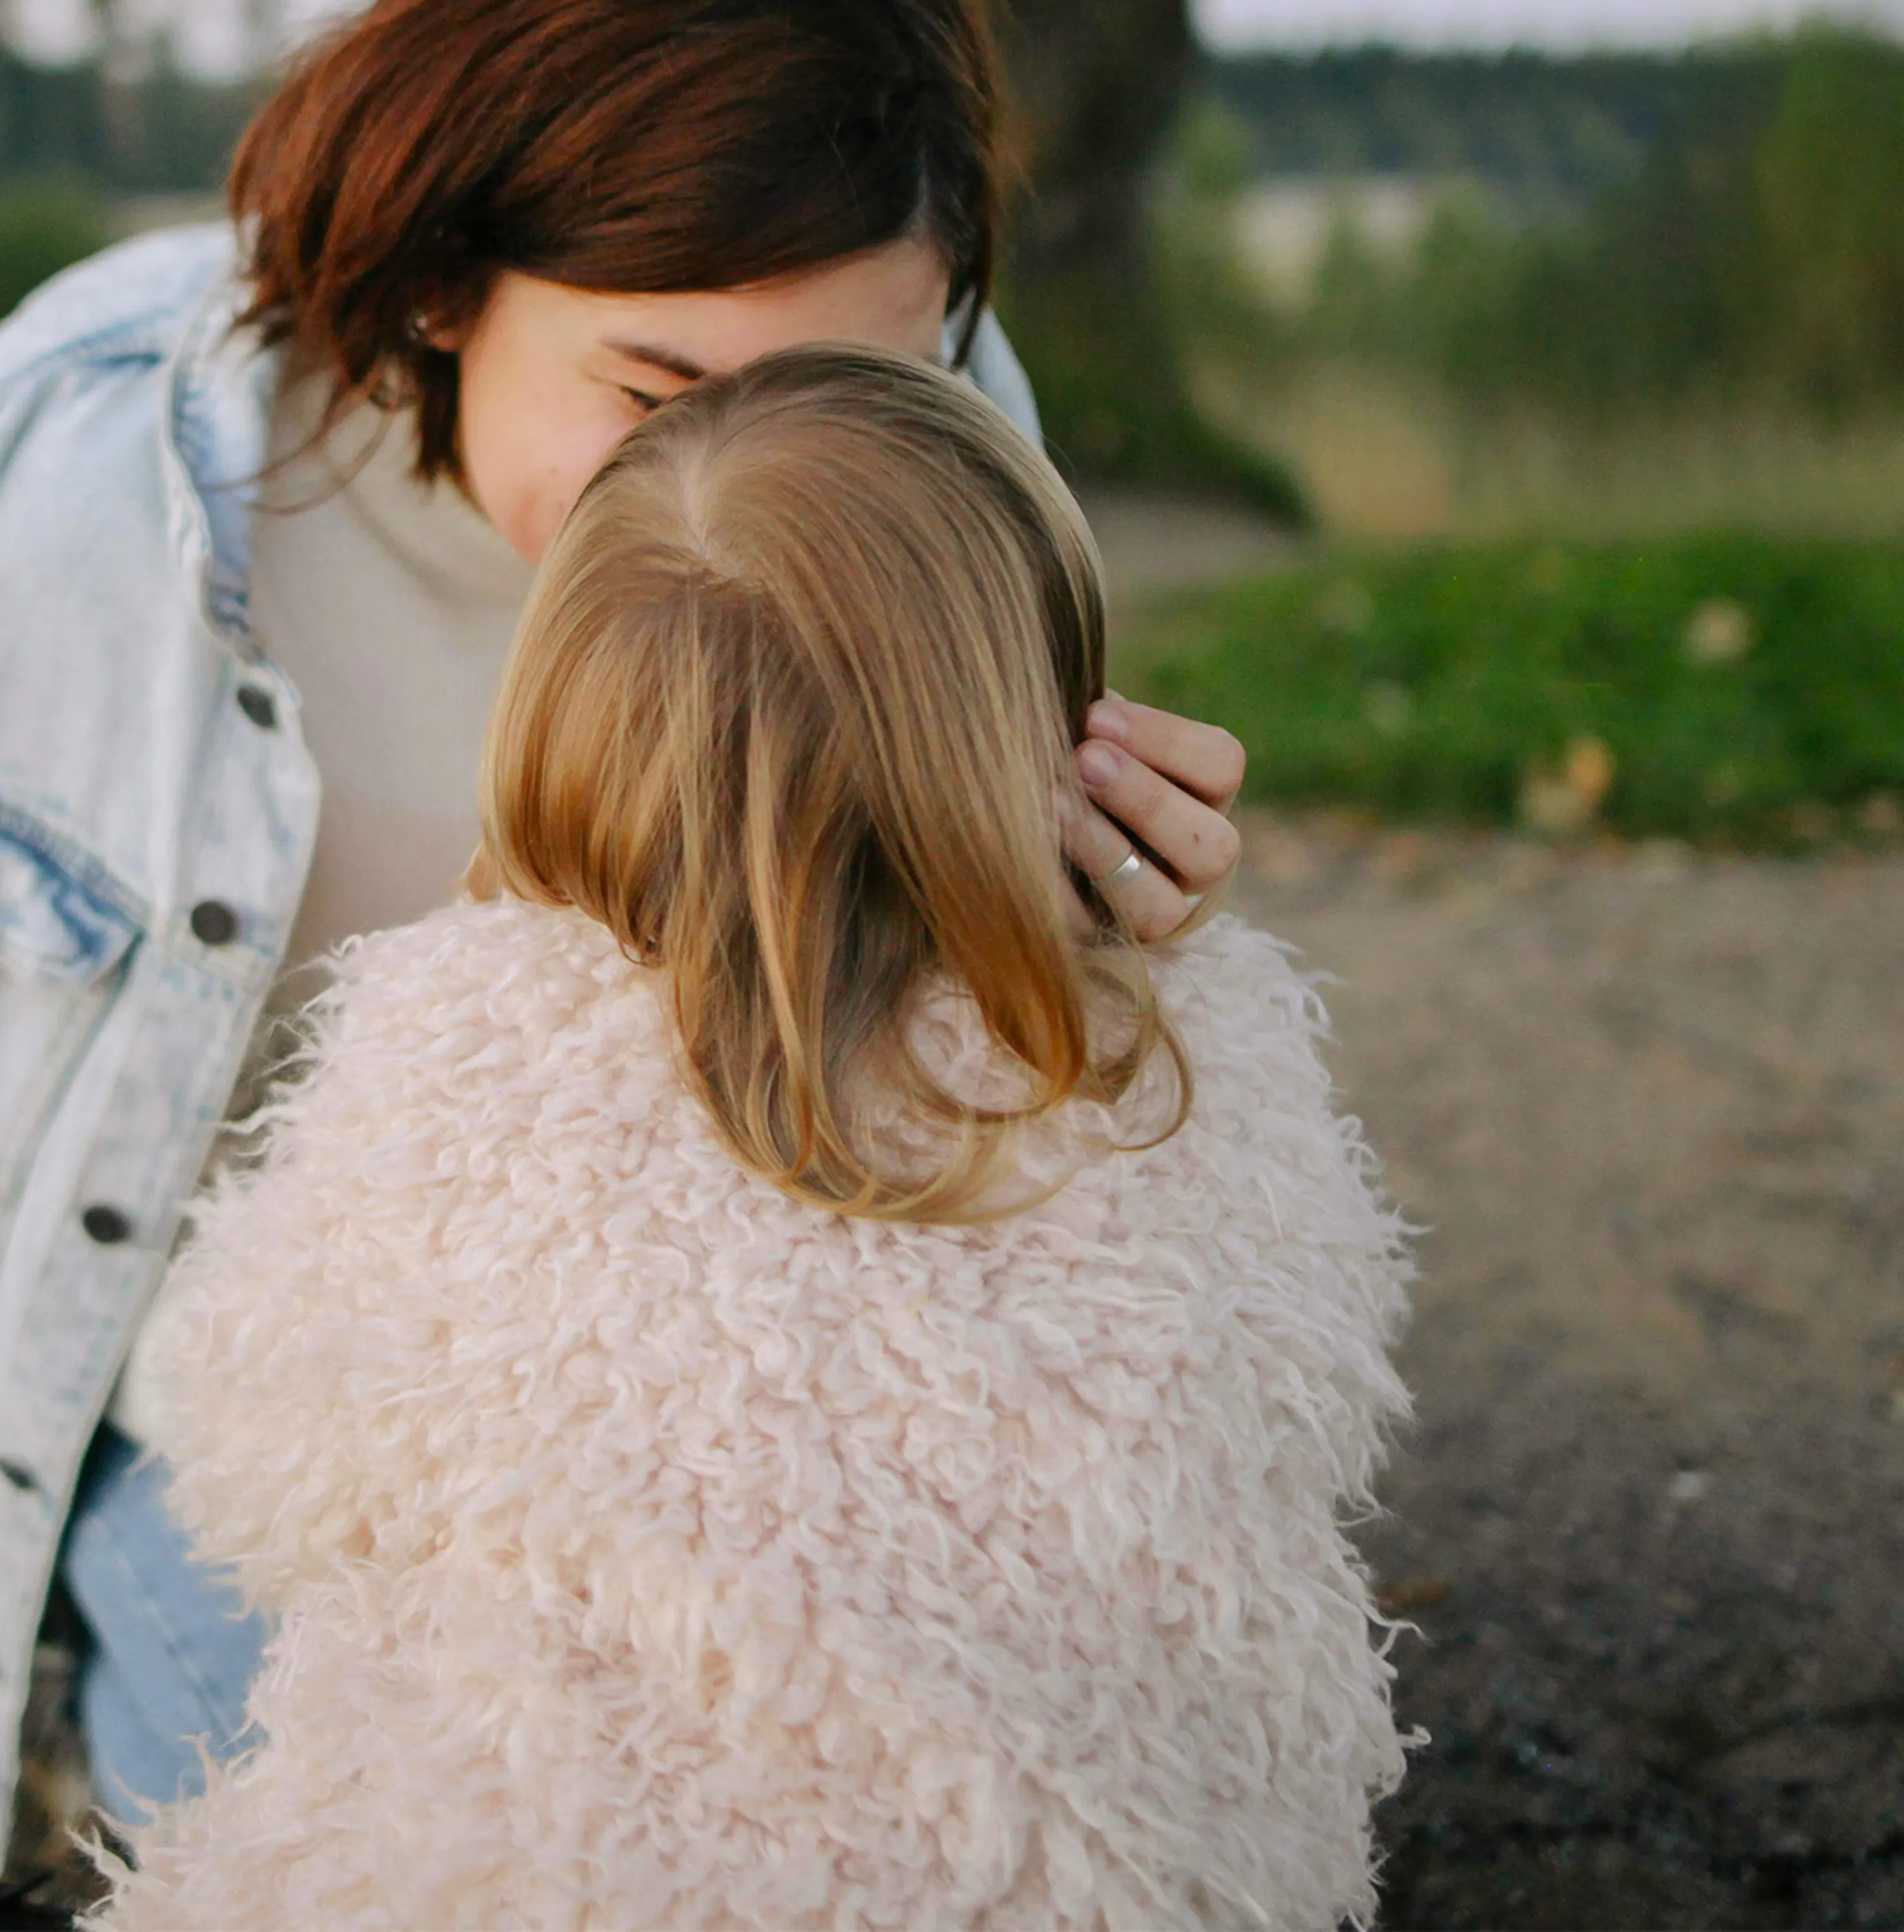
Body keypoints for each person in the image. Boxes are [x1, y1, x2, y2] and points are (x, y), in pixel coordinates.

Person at [0, 0, 1253, 1905]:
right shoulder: (67, 513)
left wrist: (1089, 924)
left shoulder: (949, 467)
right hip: (247, 1418)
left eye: (864, 388)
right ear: (443, 279)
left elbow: (944, 1122)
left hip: (724, 1378)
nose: (758, 484)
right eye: (656, 387)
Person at [97, 341, 1412, 1932]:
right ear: (1055, 720)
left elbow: (257, 1456)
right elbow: (1312, 1404)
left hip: (547, 1891)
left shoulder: (459, 1025)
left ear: (563, 695)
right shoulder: (1175, 1043)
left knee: (220, 1669)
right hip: (1098, 1888)